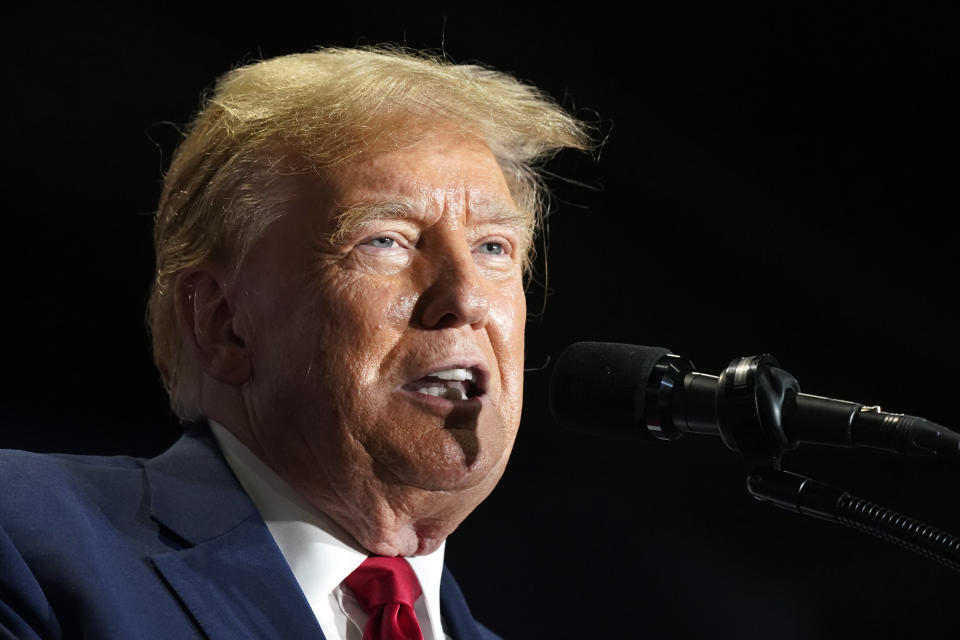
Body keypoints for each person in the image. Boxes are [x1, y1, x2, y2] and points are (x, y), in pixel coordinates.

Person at [0, 47, 590, 639]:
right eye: (386, 241)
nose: (465, 299)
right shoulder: (30, 544)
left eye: (493, 248)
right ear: (223, 323)